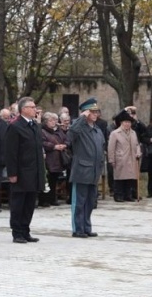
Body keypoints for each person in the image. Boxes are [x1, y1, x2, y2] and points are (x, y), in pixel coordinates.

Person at [6, 96, 46, 244]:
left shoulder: (35, 126)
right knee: (18, 203)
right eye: (32, 107)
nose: (35, 109)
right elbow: (11, 152)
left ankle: (26, 230)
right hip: (21, 172)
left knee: (30, 203)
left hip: (34, 171)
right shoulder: (15, 126)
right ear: (23, 109)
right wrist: (12, 173)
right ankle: (17, 232)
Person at [67, 98, 105, 238]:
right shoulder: (79, 128)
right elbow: (70, 134)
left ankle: (87, 227)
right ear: (85, 113)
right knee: (79, 202)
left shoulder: (97, 130)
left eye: (97, 112)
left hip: (94, 171)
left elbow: (101, 147)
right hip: (82, 171)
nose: (96, 114)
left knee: (90, 202)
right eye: (92, 112)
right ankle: (78, 229)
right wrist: (81, 117)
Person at [108, 110, 142, 202]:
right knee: (119, 178)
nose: (127, 124)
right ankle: (118, 195)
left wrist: (138, 152)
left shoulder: (133, 133)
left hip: (132, 158)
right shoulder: (115, 133)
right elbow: (111, 148)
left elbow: (137, 144)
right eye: (125, 122)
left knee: (130, 178)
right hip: (120, 159)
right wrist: (111, 159)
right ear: (121, 123)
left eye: (129, 122)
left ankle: (128, 195)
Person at [41, 112, 68, 206]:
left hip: (58, 159)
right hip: (48, 159)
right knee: (47, 180)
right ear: (45, 122)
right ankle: (44, 200)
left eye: (54, 120)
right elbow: (43, 142)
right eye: (51, 120)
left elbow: (65, 138)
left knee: (54, 180)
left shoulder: (57, 131)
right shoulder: (42, 131)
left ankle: (53, 198)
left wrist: (63, 145)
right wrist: (54, 146)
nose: (53, 122)